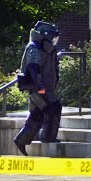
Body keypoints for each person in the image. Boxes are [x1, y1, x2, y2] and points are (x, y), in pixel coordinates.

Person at [14, 21, 62, 156]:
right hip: (38, 89)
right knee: (53, 107)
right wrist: (41, 88)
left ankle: (21, 140)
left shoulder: (46, 48)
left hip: (42, 88)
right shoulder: (35, 48)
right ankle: (48, 137)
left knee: (38, 115)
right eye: (52, 36)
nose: (54, 39)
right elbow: (34, 69)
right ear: (45, 35)